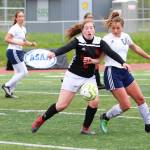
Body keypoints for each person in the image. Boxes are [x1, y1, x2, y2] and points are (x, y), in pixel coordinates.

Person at [31, 20, 129, 135]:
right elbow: (66, 48)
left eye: (91, 28)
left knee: (94, 102)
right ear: (82, 30)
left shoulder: (99, 42)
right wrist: (54, 53)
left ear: (94, 30)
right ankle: (41, 119)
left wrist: (123, 63)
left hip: (89, 78)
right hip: (73, 76)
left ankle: (85, 129)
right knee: (61, 105)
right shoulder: (78, 41)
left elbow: (111, 52)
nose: (89, 30)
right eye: (86, 28)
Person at [99, 11, 150, 133]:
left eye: (118, 28)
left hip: (125, 72)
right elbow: (100, 57)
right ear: (110, 27)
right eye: (113, 28)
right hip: (112, 73)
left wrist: (148, 57)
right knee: (126, 105)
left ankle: (148, 125)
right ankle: (106, 116)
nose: (116, 31)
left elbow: (135, 47)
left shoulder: (126, 37)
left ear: (122, 27)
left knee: (140, 99)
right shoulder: (106, 39)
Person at [1, 11, 37, 98]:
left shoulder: (23, 29)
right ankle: (6, 85)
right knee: (24, 72)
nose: (21, 18)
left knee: (17, 72)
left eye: (23, 16)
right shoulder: (14, 28)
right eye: (19, 16)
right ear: (16, 18)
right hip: (13, 51)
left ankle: (9, 92)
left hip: (18, 52)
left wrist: (31, 44)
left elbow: (24, 41)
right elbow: (6, 39)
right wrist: (17, 42)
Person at [84, 12, 105, 90]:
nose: (91, 19)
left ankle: (98, 83)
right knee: (82, 64)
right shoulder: (83, 26)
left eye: (92, 17)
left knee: (96, 65)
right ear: (85, 18)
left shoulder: (93, 25)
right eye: (89, 17)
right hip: (84, 48)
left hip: (92, 46)